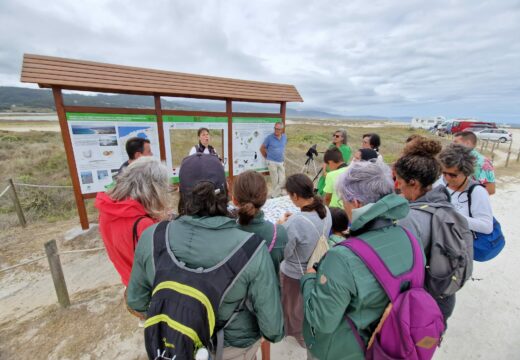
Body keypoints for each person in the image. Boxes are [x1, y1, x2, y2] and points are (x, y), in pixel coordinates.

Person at [127, 154, 284, 359]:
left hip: (177, 341)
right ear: (227, 191)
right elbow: (273, 329)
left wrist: (181, 316)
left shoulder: (152, 237)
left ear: (180, 193)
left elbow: (136, 301)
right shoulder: (251, 249)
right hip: (232, 347)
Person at [300, 160, 415, 360]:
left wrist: (309, 279)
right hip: (391, 341)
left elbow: (322, 321)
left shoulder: (342, 257)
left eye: (344, 200)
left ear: (356, 203)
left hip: (344, 351)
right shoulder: (410, 238)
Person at [395, 138, 470, 324]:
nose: (397, 186)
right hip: (445, 295)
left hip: (423, 303)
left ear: (413, 183)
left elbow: (401, 272)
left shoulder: (409, 219)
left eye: (399, 180)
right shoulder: (444, 203)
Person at [95, 157, 170, 287]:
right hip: (148, 289)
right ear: (154, 188)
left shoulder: (106, 211)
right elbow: (161, 265)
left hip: (129, 281)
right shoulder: (144, 224)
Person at [278, 173, 332, 350]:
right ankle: (305, 334)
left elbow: (284, 253)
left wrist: (281, 226)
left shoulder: (295, 222)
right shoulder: (325, 210)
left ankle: (295, 334)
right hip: (318, 267)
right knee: (306, 306)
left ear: (295, 196)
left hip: (295, 274)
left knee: (292, 308)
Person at [232, 170, 288, 276]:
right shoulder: (279, 233)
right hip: (268, 290)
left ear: (234, 200)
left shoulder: (225, 232)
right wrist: (276, 228)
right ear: (265, 198)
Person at [435, 143, 493, 234]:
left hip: (461, 244)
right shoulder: (438, 182)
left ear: (466, 172)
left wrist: (453, 216)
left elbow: (487, 226)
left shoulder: (477, 192)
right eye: (444, 173)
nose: (447, 178)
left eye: (453, 175)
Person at [317, 129, 352, 195]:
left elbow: (343, 163)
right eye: (334, 135)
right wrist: (324, 171)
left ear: (343, 138)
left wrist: (332, 174)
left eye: (337, 136)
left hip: (335, 175)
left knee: (330, 194)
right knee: (321, 192)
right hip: (326, 174)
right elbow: (325, 159)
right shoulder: (331, 146)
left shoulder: (346, 149)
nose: (335, 137)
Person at [260, 122, 287, 197]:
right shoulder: (269, 138)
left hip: (281, 162)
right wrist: (267, 158)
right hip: (271, 162)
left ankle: (274, 195)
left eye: (278, 129)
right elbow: (262, 148)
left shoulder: (285, 137)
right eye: (275, 128)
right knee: (275, 181)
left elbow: (283, 148)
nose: (276, 130)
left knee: (282, 180)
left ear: (281, 130)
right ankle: (277, 196)